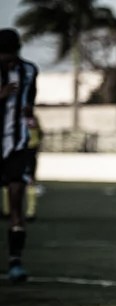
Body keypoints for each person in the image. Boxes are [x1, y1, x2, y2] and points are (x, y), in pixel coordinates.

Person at [0, 27, 38, 282]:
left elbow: (31, 97)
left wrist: (28, 112)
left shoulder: (29, 70)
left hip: (18, 145)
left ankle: (15, 261)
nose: (9, 60)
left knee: (16, 201)